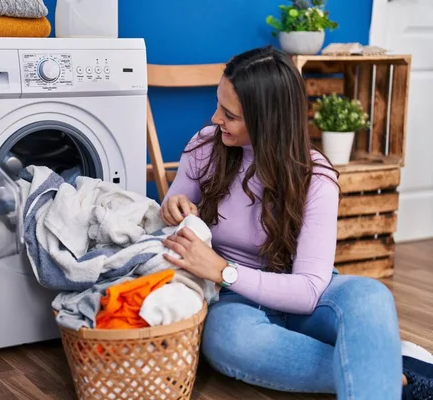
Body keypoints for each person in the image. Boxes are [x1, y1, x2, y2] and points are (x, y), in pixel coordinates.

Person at [160, 45, 433, 400]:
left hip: (301, 294)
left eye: (229, 114)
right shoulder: (205, 148)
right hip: (233, 301)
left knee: (370, 294)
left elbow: (307, 291)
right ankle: (390, 372)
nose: (215, 119)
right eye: (218, 105)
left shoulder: (315, 177)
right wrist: (172, 206)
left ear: (266, 120)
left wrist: (224, 269)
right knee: (230, 341)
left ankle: (374, 369)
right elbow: (171, 207)